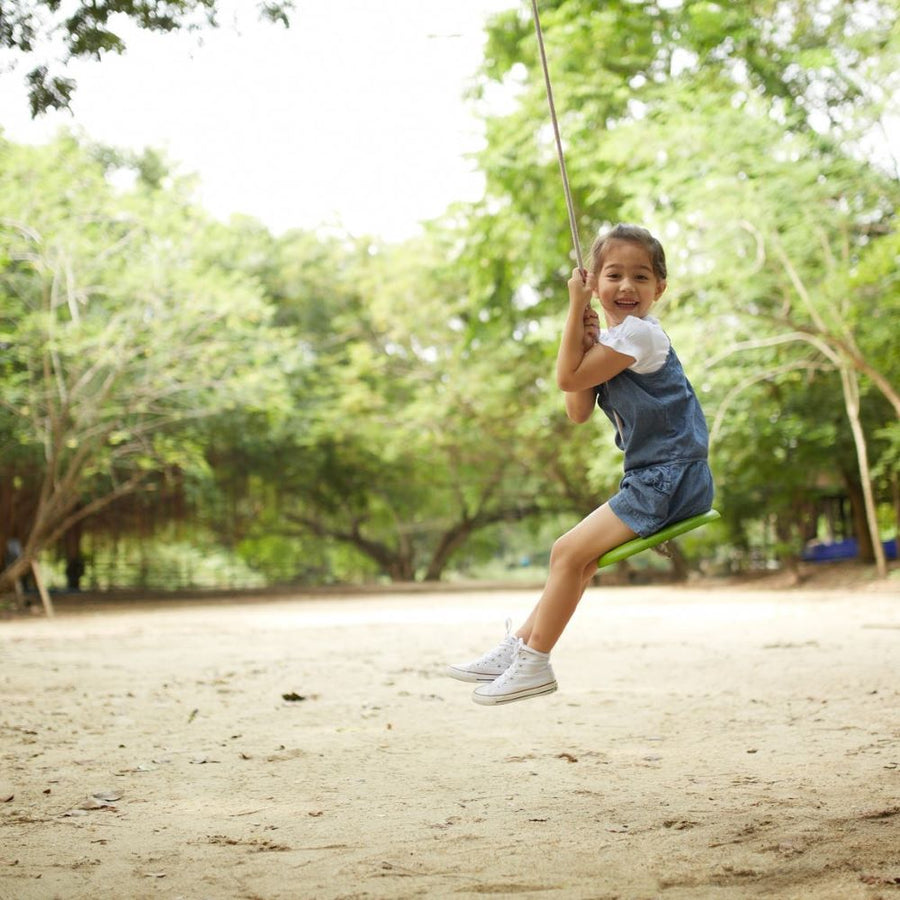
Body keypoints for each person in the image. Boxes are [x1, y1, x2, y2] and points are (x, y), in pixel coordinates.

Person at [447, 224, 714, 705]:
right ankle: (520, 648)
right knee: (578, 559)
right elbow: (576, 409)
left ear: (660, 288)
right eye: (614, 275)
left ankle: (534, 663)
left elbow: (565, 376)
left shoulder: (640, 336)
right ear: (595, 281)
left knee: (566, 553)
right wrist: (586, 336)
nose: (627, 287)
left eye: (641, 277)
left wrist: (574, 310)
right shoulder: (616, 341)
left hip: (670, 475)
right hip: (655, 476)